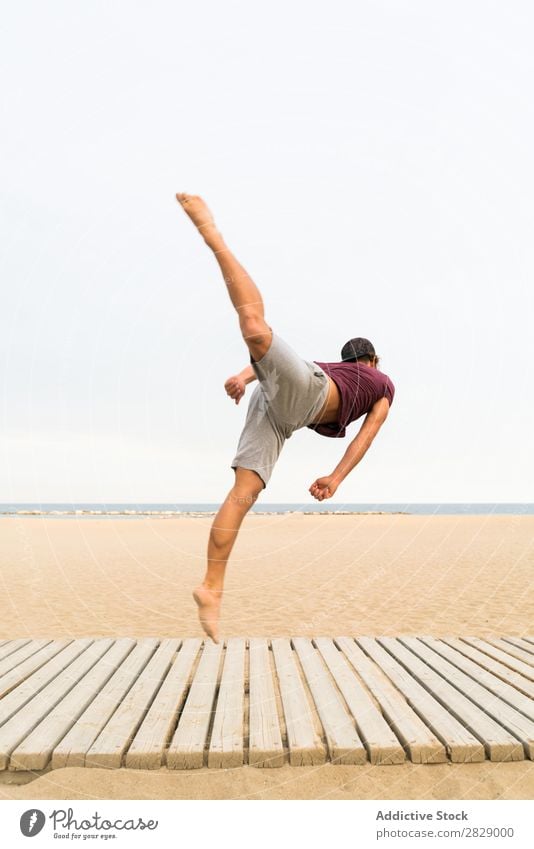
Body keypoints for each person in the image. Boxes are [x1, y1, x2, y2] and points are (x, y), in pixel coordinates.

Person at [176, 193, 395, 642]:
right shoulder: (382, 382)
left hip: (281, 409)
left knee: (243, 492)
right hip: (302, 397)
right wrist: (336, 478)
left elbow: (278, 365)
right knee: (255, 328)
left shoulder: (337, 368)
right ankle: (211, 232)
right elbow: (365, 437)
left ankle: (211, 588)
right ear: (373, 360)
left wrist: (243, 377)